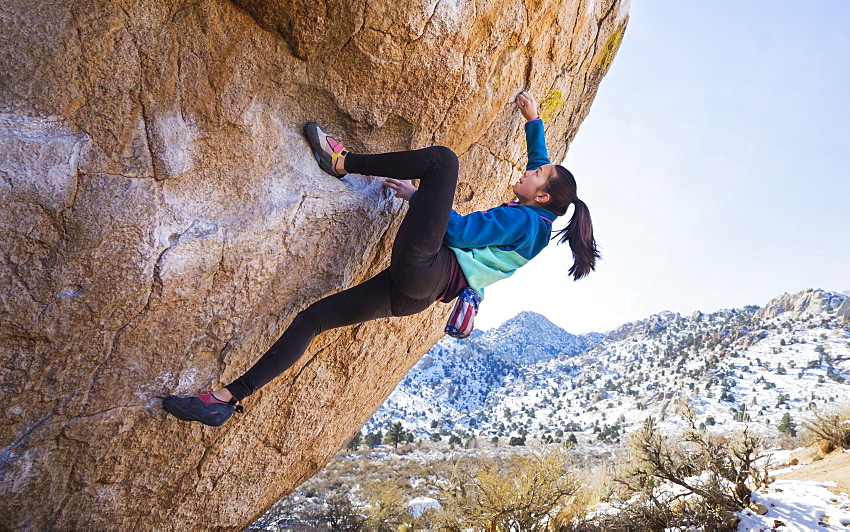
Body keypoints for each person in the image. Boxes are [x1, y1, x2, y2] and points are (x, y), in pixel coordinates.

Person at [162, 92, 599, 426]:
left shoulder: (525, 221)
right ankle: (227, 399)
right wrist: (533, 120)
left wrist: (422, 197)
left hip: (428, 267)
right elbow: (542, 164)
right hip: (416, 295)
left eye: (536, 175)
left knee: (443, 161)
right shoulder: (540, 216)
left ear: (541, 196)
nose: (529, 169)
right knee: (313, 320)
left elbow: (460, 231)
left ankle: (341, 161)